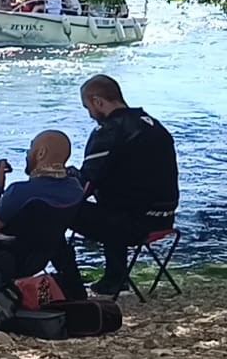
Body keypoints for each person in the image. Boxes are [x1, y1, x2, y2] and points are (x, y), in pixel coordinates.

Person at [71, 75, 179, 298]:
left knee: (57, 209)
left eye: (88, 107)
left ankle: (68, 281)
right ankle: (115, 277)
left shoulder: (109, 132)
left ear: (98, 102)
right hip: (163, 217)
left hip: (131, 224)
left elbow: (86, 183)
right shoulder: (151, 124)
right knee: (115, 197)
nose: (90, 115)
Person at [0, 130, 88, 297]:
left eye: (30, 148)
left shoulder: (20, 192)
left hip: (6, 261)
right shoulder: (74, 189)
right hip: (42, 256)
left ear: (41, 153)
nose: (28, 154)